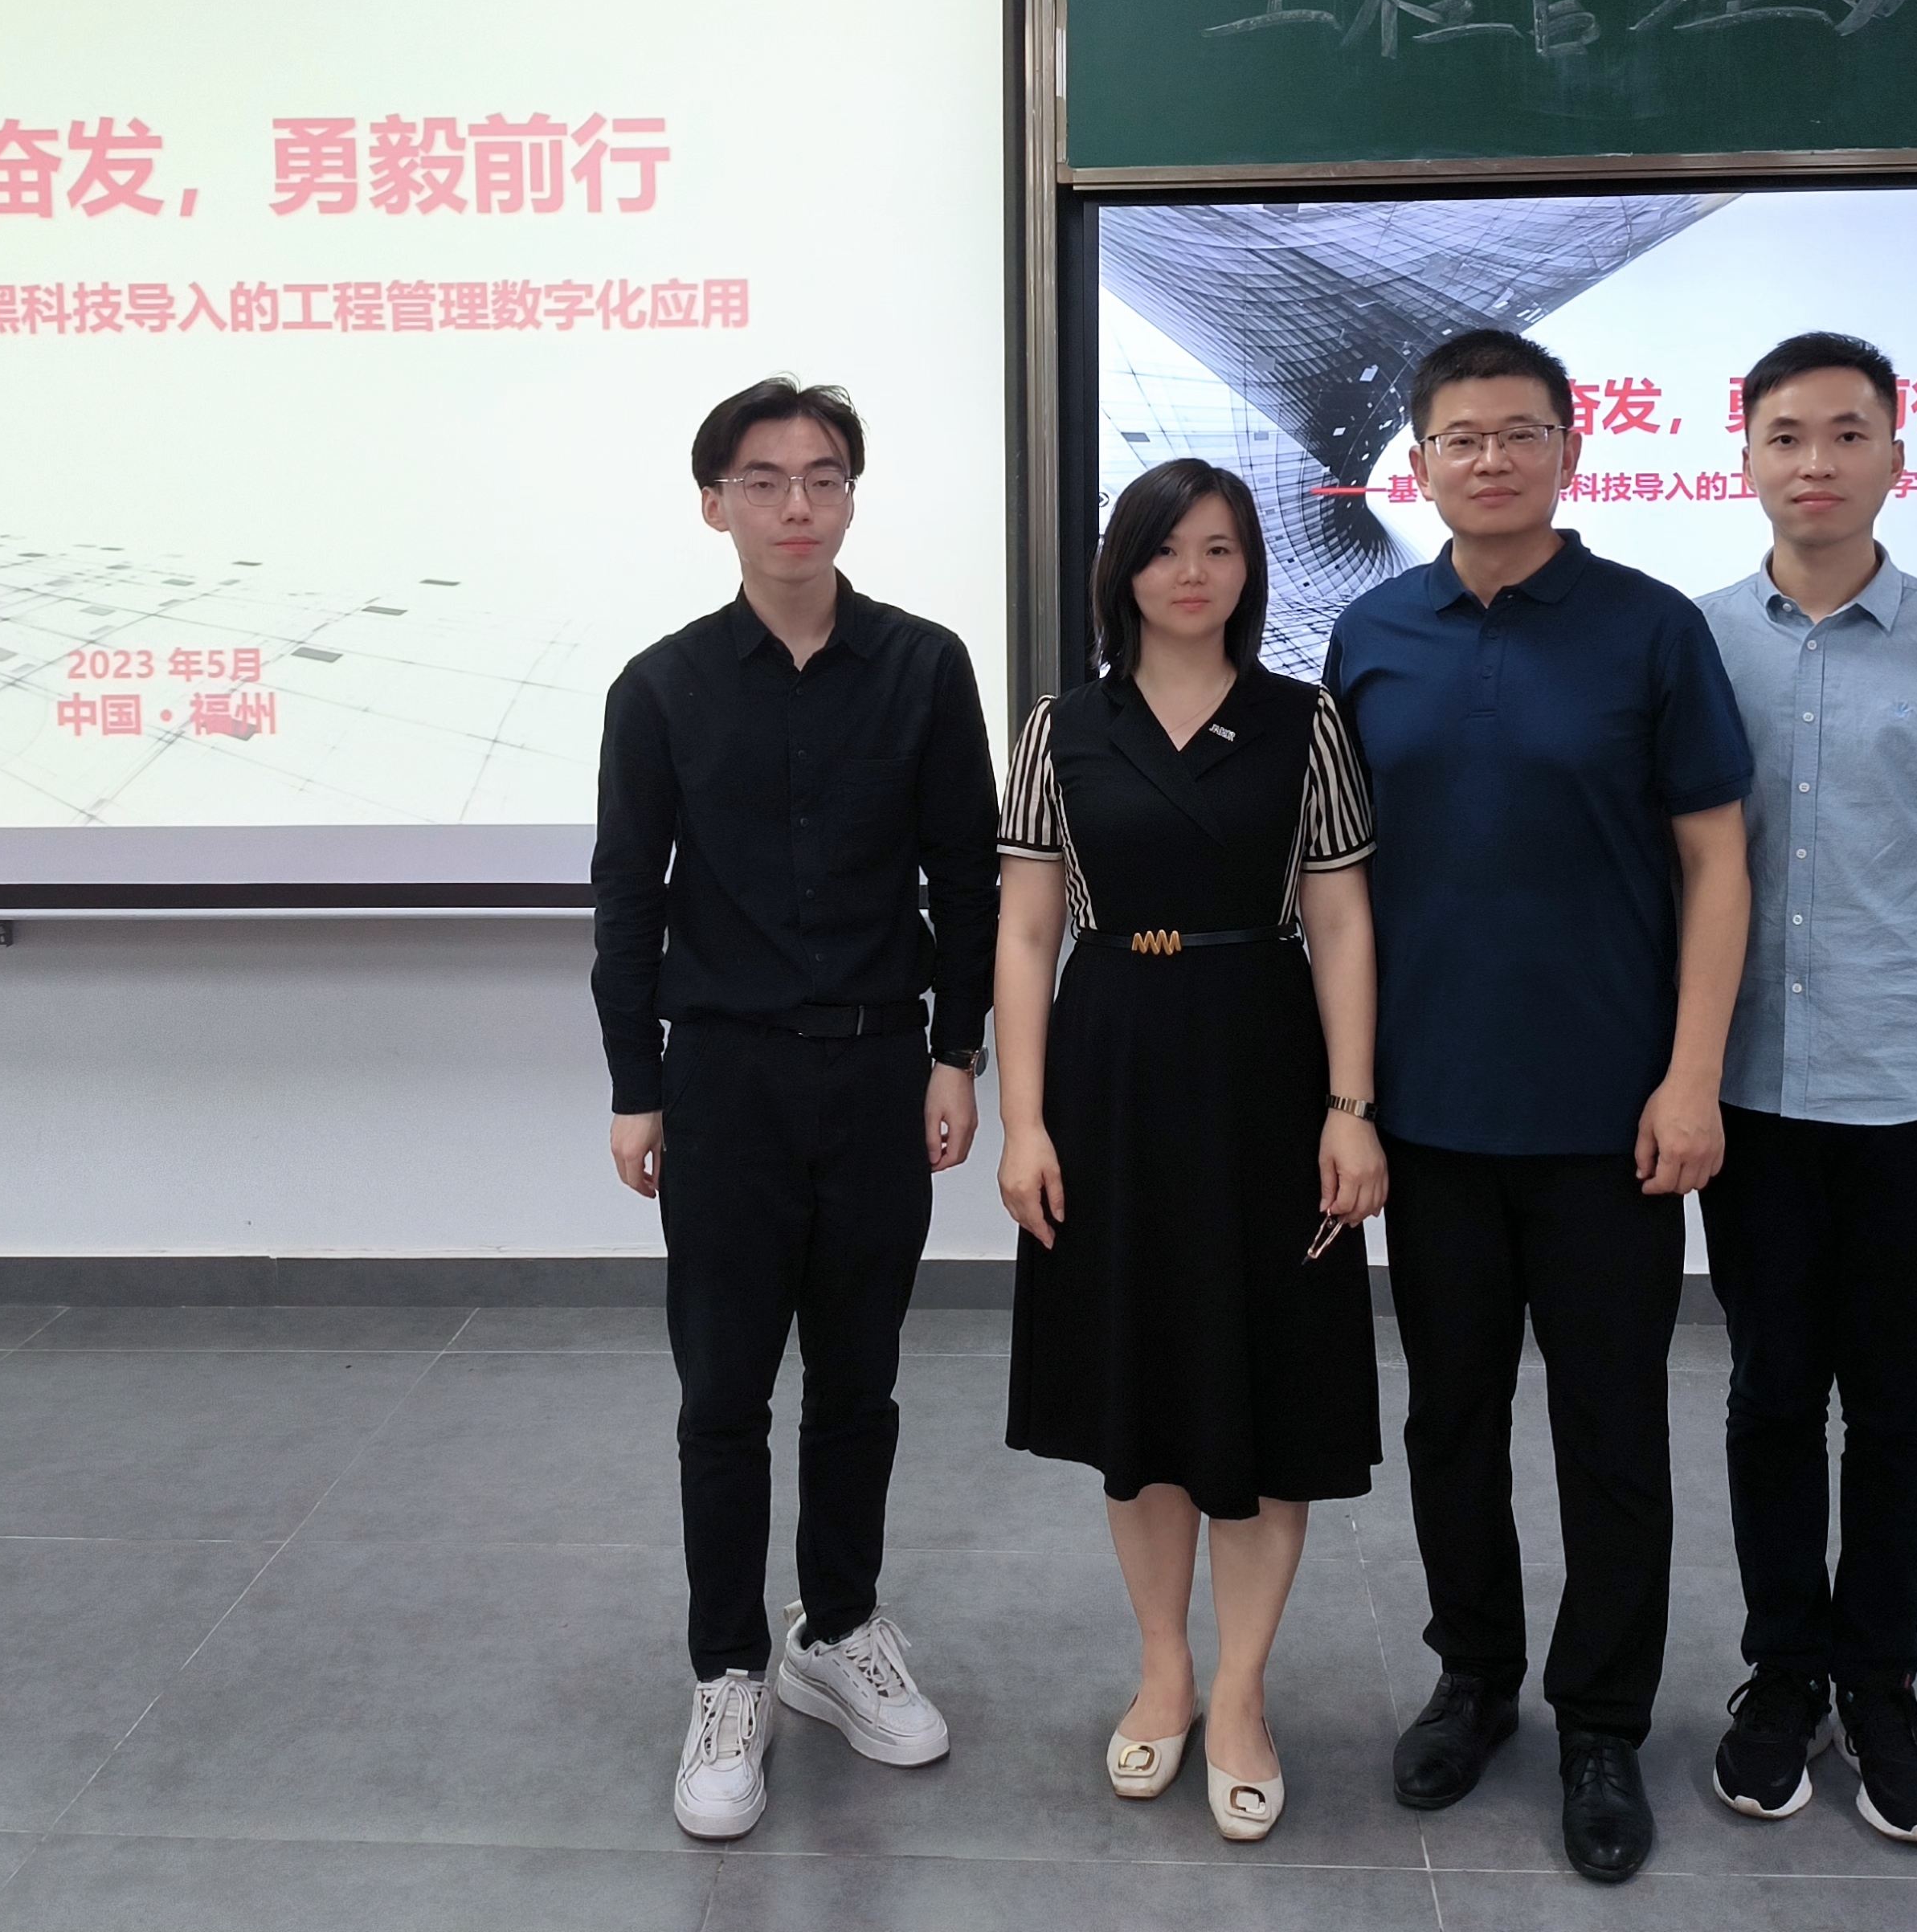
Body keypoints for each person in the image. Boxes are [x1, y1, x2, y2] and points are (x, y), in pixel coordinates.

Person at [1322, 329, 1754, 1887]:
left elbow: (1716, 862)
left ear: (1571, 451)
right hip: (1429, 1114)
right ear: (1418, 463)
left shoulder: (1649, 630)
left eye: (1519, 433)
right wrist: (1344, 1098)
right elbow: (1335, 887)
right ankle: (1475, 1679)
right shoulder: (1370, 633)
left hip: (1607, 1120)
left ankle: (1602, 1724)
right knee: (1449, 1418)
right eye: (1461, 437)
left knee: (1609, 1429)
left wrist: (1691, 1076)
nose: (1490, 459)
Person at [590, 376, 1000, 1842]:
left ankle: (837, 1630)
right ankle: (727, 1669)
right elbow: (628, 897)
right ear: (716, 504)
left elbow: (969, 873)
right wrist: (636, 1085)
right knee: (721, 1393)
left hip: (882, 1070)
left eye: (823, 477)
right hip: (724, 1079)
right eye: (762, 481)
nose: (796, 506)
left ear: (851, 497)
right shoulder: (661, 688)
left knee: (859, 1380)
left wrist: (957, 1053)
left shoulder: (924, 665)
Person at [1694, 331, 1917, 1847]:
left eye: (1848, 434)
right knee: (1772, 1394)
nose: (1817, 463)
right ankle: (1783, 1674)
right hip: (1752, 1098)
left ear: (1899, 457)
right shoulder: (1695, 643)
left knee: (1900, 1410)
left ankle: (1884, 1685)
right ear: (1746, 459)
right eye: (1787, 436)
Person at [992, 457, 1385, 1845]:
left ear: (1249, 569)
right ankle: (1164, 1671)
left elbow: (1341, 921)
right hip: (1108, 1069)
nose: (1194, 573)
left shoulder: (1305, 721)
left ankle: (1244, 1692)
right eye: (1167, 548)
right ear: (1126, 569)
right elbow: (1026, 929)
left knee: (1264, 1394)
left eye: (1221, 548)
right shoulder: (1061, 728)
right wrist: (1024, 1121)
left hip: (1264, 1068)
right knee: (1141, 1394)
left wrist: (1352, 1107)